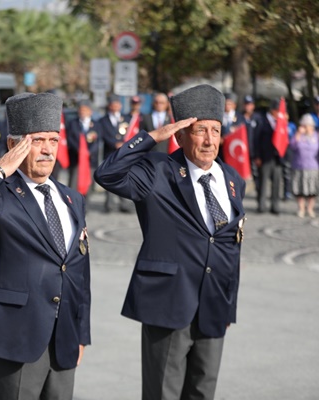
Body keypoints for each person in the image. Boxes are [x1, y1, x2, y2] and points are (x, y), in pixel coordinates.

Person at [95, 84, 246, 400]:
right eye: (199, 130)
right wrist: (151, 137)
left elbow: (232, 246)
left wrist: (228, 304)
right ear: (179, 135)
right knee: (163, 393)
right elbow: (107, 174)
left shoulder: (232, 180)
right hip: (167, 304)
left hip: (213, 305)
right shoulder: (157, 171)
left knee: (203, 391)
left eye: (215, 131)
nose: (208, 140)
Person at [0, 92, 91, 400]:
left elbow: (80, 271)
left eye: (54, 140)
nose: (48, 150)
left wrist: (81, 331)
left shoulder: (71, 198)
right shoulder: (0, 194)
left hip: (63, 337)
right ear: (14, 145)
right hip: (15, 335)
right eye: (38, 140)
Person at [253, 99, 283, 214]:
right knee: (263, 182)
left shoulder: (281, 123)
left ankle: (275, 205)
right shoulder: (262, 121)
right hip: (265, 156)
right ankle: (261, 205)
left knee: (276, 183)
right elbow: (256, 140)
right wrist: (257, 156)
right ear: (272, 111)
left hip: (277, 158)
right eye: (276, 111)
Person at [99, 94, 128, 212]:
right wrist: (114, 143)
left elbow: (131, 132)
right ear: (109, 106)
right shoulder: (103, 120)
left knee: (124, 178)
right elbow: (102, 134)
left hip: (124, 154)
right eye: (113, 104)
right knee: (109, 178)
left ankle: (124, 204)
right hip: (110, 153)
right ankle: (110, 204)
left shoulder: (126, 118)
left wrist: (124, 144)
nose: (115, 106)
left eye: (117, 103)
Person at [66, 99, 101, 194]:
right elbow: (70, 139)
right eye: (81, 110)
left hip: (90, 160)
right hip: (76, 158)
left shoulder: (96, 125)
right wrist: (79, 151)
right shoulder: (72, 123)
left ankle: (85, 206)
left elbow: (97, 141)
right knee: (73, 183)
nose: (82, 112)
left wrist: (89, 152)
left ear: (90, 111)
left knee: (88, 185)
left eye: (85, 110)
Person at [290, 114, 319, 218]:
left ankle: (310, 209)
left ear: (312, 126)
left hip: (313, 167)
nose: (306, 127)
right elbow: (292, 146)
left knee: (312, 190)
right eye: (304, 125)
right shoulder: (298, 135)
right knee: (300, 190)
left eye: (308, 125)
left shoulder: (316, 136)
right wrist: (298, 133)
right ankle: (301, 208)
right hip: (299, 166)